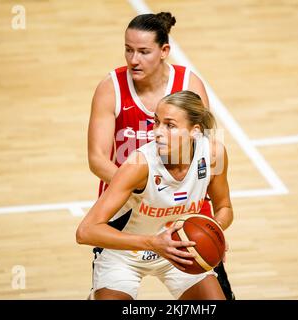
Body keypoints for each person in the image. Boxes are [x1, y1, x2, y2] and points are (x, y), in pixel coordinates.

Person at [87, 12, 234, 299]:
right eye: (128, 50)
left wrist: (209, 230)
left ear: (164, 51)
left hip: (178, 219)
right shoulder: (111, 88)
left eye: (143, 51)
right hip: (128, 209)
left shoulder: (189, 85)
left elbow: (200, 159)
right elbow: (96, 159)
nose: (133, 59)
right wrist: (143, 185)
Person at [77, 91, 233, 300]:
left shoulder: (213, 154)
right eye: (156, 122)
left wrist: (214, 232)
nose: (157, 132)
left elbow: (225, 208)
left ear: (194, 131)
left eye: (169, 125)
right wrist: (152, 243)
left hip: (179, 250)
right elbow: (85, 232)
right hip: (124, 253)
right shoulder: (139, 165)